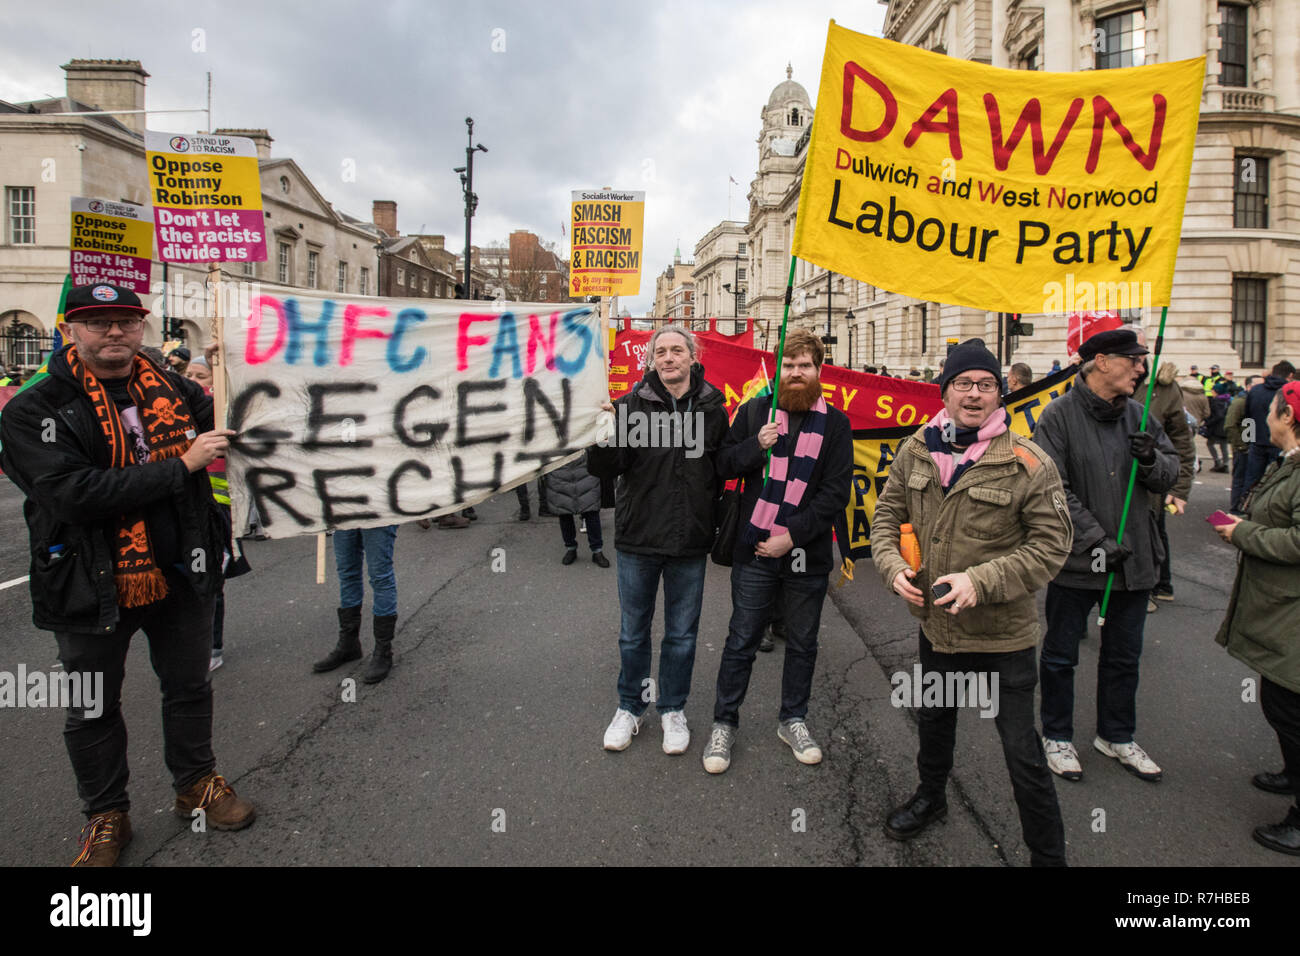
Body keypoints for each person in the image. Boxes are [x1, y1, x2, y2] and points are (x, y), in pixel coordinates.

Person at [0, 283, 254, 866]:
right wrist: (181, 464)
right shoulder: (33, 409)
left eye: (125, 321)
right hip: (89, 580)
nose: (114, 332)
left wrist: (235, 367)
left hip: (180, 570)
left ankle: (197, 784)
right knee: (92, 705)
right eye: (97, 322)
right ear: (69, 331)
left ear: (141, 327)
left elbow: (236, 418)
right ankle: (107, 815)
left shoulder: (173, 387)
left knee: (189, 687)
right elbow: (71, 494)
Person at [873, 337, 1072, 866]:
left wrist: (980, 581)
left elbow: (1052, 546)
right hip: (937, 627)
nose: (975, 393)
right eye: (964, 383)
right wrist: (892, 568)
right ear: (945, 392)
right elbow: (886, 516)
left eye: (986, 385)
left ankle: (1047, 855)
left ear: (1000, 395)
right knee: (935, 720)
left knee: (1021, 751)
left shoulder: (1029, 462)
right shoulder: (917, 448)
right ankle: (930, 799)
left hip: (1003, 636)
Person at [1032, 328, 1179, 783]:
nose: (1141, 368)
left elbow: (1171, 473)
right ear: (1101, 361)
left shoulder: (1140, 414)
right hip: (1079, 562)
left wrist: (1153, 459)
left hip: (1133, 562)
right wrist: (1096, 540)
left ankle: (1116, 735)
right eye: (1133, 359)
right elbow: (1052, 489)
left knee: (1123, 655)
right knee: (1060, 656)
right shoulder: (1056, 417)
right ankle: (1056, 736)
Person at [702, 329, 852, 773]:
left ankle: (793, 719)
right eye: (788, 365)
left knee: (803, 642)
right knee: (742, 639)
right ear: (778, 370)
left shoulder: (837, 424)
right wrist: (756, 445)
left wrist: (793, 536)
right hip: (754, 551)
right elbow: (723, 464)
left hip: (804, 554)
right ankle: (724, 722)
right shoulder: (754, 411)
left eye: (805, 365)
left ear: (819, 371)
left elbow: (834, 493)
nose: (796, 372)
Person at [587, 325, 728, 755]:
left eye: (676, 351)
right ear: (652, 361)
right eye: (660, 352)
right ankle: (629, 708)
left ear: (691, 357)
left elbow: (722, 468)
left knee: (682, 635)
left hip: (689, 541)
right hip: (638, 539)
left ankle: (672, 709)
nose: (668, 358)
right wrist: (602, 438)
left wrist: (759, 447)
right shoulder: (629, 407)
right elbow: (605, 469)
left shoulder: (712, 409)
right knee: (633, 633)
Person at [1212, 381, 1300, 856]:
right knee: (1282, 701)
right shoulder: (1287, 462)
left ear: (1286, 418)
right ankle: (1292, 773)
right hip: (1281, 607)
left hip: (1293, 610)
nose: (1267, 414)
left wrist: (1243, 533)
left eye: (1275, 410)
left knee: (1289, 706)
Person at [1132, 334, 1195, 609]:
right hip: (1114, 481)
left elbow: (1182, 440)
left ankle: (1154, 586)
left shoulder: (1164, 389)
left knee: (1152, 532)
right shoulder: (1100, 385)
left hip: (1151, 482)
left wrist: (1179, 489)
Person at [312, 522, 401, 683]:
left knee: (380, 576)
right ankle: (349, 643)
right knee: (347, 573)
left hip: (377, 512)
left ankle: (383, 650)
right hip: (344, 512)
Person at [1242, 361, 1297, 498]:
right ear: (1290, 375)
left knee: (1252, 479)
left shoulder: (1256, 390)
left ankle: (1244, 507)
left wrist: (1247, 441)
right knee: (1277, 483)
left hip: (1257, 442)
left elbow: (1247, 417)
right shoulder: (1288, 392)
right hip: (1280, 443)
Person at [545, 454, 609, 567]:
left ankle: (597, 550)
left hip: (585, 468)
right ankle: (571, 548)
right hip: (559, 471)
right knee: (564, 514)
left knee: (592, 513)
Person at [1226, 375, 1261, 513]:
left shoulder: (1254, 401)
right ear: (1248, 386)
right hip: (1242, 448)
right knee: (1240, 478)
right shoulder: (1240, 402)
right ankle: (1235, 507)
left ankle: (1244, 505)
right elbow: (1230, 425)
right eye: (1257, 386)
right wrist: (1240, 446)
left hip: (1252, 446)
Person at [1204, 381, 1232, 473]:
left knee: (1210, 443)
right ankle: (1226, 464)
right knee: (1223, 446)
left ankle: (1217, 462)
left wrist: (1208, 423)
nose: (1211, 391)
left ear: (1216, 391)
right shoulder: (1228, 401)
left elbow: (1217, 416)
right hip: (1226, 426)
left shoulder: (1216, 401)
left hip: (1217, 428)